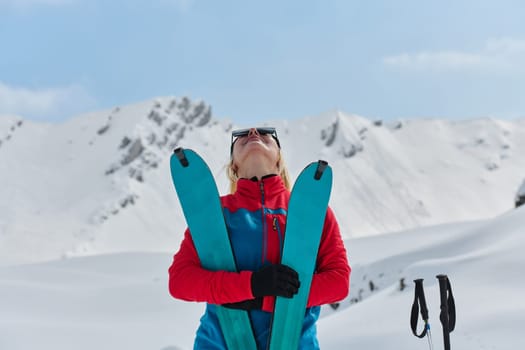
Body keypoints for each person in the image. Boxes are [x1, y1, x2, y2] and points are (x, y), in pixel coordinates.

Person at [168, 127, 350, 349]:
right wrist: (251, 286)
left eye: (266, 133)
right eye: (241, 135)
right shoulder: (216, 214)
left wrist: (265, 298)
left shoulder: (310, 212)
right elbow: (180, 281)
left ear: (279, 159)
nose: (253, 132)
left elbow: (339, 282)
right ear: (233, 164)